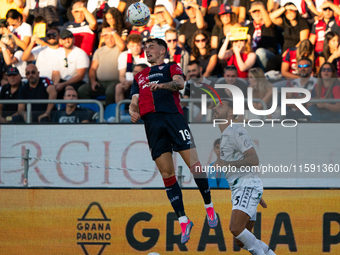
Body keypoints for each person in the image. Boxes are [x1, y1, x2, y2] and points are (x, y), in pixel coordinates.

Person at [129, 38, 218, 244]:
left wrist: (161, 86)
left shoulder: (171, 66)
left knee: (194, 165)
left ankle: (209, 206)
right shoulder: (139, 77)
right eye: (145, 48)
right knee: (167, 173)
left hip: (172, 117)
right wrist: (133, 112)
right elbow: (133, 103)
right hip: (151, 123)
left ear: (162, 50)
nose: (147, 50)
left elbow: (180, 83)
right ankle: (184, 220)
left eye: (151, 47)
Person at [213, 98, 275, 255]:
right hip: (243, 188)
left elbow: (254, 160)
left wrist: (251, 187)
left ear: (230, 112)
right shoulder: (225, 135)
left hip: (246, 186)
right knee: (240, 239)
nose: (214, 108)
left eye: (220, 106)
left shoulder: (237, 132)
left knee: (236, 228)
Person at [78, 27, 121, 106]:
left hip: (115, 82)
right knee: (82, 90)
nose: (110, 40)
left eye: (112, 37)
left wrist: (113, 32)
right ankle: (94, 112)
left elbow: (122, 46)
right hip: (100, 83)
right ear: (103, 38)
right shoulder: (99, 51)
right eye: (107, 38)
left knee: (110, 92)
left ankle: (108, 114)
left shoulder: (120, 48)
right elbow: (93, 68)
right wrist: (93, 81)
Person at [51, 29, 90, 98]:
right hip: (63, 81)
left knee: (68, 88)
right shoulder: (57, 53)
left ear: (73, 40)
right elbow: (55, 73)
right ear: (60, 41)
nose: (67, 41)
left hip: (80, 82)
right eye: (64, 39)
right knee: (51, 89)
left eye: (69, 38)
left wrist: (63, 84)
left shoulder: (80, 53)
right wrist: (56, 84)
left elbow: (80, 76)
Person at [116, 34, 148, 104]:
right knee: (118, 87)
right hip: (128, 82)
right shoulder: (123, 55)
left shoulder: (146, 55)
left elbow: (147, 75)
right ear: (128, 46)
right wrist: (126, 82)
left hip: (143, 82)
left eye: (138, 45)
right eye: (133, 46)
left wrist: (133, 83)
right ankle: (120, 112)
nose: (136, 48)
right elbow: (121, 76)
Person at [247, 2, 277, 70]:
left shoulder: (270, 23)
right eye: (254, 11)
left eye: (259, 11)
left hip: (269, 54)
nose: (257, 13)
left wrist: (261, 7)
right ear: (251, 13)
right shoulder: (248, 27)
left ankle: (262, 76)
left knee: (260, 52)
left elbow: (268, 23)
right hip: (252, 54)